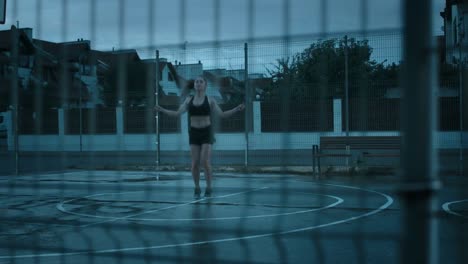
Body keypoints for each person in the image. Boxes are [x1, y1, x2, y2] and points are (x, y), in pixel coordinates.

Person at [154, 76, 245, 199]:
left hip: (206, 132)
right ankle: (197, 187)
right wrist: (162, 110)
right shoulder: (188, 100)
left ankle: (209, 187)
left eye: (201, 81)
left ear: (205, 85)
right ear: (195, 85)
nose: (198, 83)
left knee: (205, 161)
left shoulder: (210, 100)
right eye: (196, 82)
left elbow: (222, 115)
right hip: (194, 133)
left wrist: (236, 109)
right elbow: (176, 113)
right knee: (194, 163)